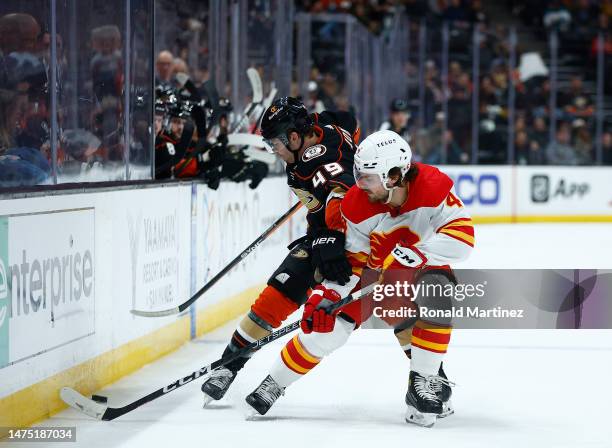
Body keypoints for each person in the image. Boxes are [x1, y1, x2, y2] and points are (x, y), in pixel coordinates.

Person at [245, 129, 474, 428]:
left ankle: (423, 383)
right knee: (328, 331)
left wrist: (418, 255)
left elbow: (463, 239)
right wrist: (325, 296)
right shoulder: (356, 204)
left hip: (417, 273)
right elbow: (351, 266)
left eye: (367, 176)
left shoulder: (434, 188)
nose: (358, 182)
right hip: (371, 277)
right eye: (358, 173)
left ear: (393, 175)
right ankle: (274, 382)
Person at [200, 97, 359, 404]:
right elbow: (346, 119)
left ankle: (430, 372)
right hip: (323, 236)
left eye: (276, 142)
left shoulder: (316, 159)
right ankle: (229, 367)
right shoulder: (324, 131)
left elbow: (340, 188)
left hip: (354, 243)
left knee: (370, 315)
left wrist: (332, 236)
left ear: (295, 136)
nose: (273, 149)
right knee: (275, 296)